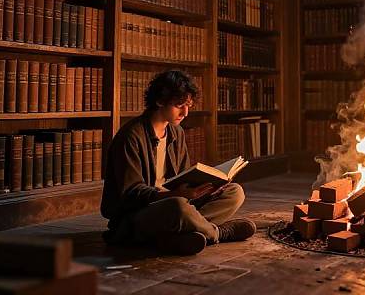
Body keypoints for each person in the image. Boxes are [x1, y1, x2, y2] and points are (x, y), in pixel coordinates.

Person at [101, 69, 256, 255]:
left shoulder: (176, 132)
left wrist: (208, 187)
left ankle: (183, 232)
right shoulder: (131, 137)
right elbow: (133, 193)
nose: (185, 112)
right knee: (178, 207)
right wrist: (175, 194)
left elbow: (183, 177)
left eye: (188, 105)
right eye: (179, 105)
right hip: (137, 214)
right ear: (159, 101)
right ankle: (217, 233)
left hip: (176, 200)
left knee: (235, 192)